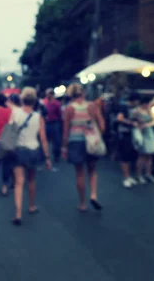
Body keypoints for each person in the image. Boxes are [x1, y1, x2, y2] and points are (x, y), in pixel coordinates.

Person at [8, 87, 51, 225]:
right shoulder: (38, 117)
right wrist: (47, 157)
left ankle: (18, 214)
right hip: (33, 150)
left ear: (22, 99)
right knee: (31, 180)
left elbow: (10, 132)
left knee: (19, 182)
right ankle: (31, 206)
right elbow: (43, 139)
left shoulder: (15, 113)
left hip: (18, 150)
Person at [62, 83, 105, 212]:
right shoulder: (92, 106)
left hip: (75, 141)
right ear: (83, 93)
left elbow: (66, 130)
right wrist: (98, 135)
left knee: (79, 173)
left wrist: (64, 148)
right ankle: (93, 194)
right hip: (91, 141)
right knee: (92, 170)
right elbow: (102, 124)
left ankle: (82, 203)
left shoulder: (69, 108)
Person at [132, 95, 154, 184]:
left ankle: (148, 173)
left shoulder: (149, 111)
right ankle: (139, 175)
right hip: (141, 133)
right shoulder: (136, 111)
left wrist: (147, 124)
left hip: (149, 132)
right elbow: (134, 121)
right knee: (142, 155)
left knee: (149, 155)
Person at [116, 93, 139, 188]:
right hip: (124, 134)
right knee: (125, 156)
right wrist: (131, 123)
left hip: (131, 134)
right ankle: (126, 177)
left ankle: (129, 176)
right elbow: (119, 118)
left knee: (130, 155)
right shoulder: (124, 107)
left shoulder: (133, 108)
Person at [44, 88, 63, 166]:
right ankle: (46, 156)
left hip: (55, 123)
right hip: (47, 123)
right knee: (45, 140)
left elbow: (59, 114)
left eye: (48, 94)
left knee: (56, 141)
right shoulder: (45, 103)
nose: (47, 95)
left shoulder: (57, 104)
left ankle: (56, 155)